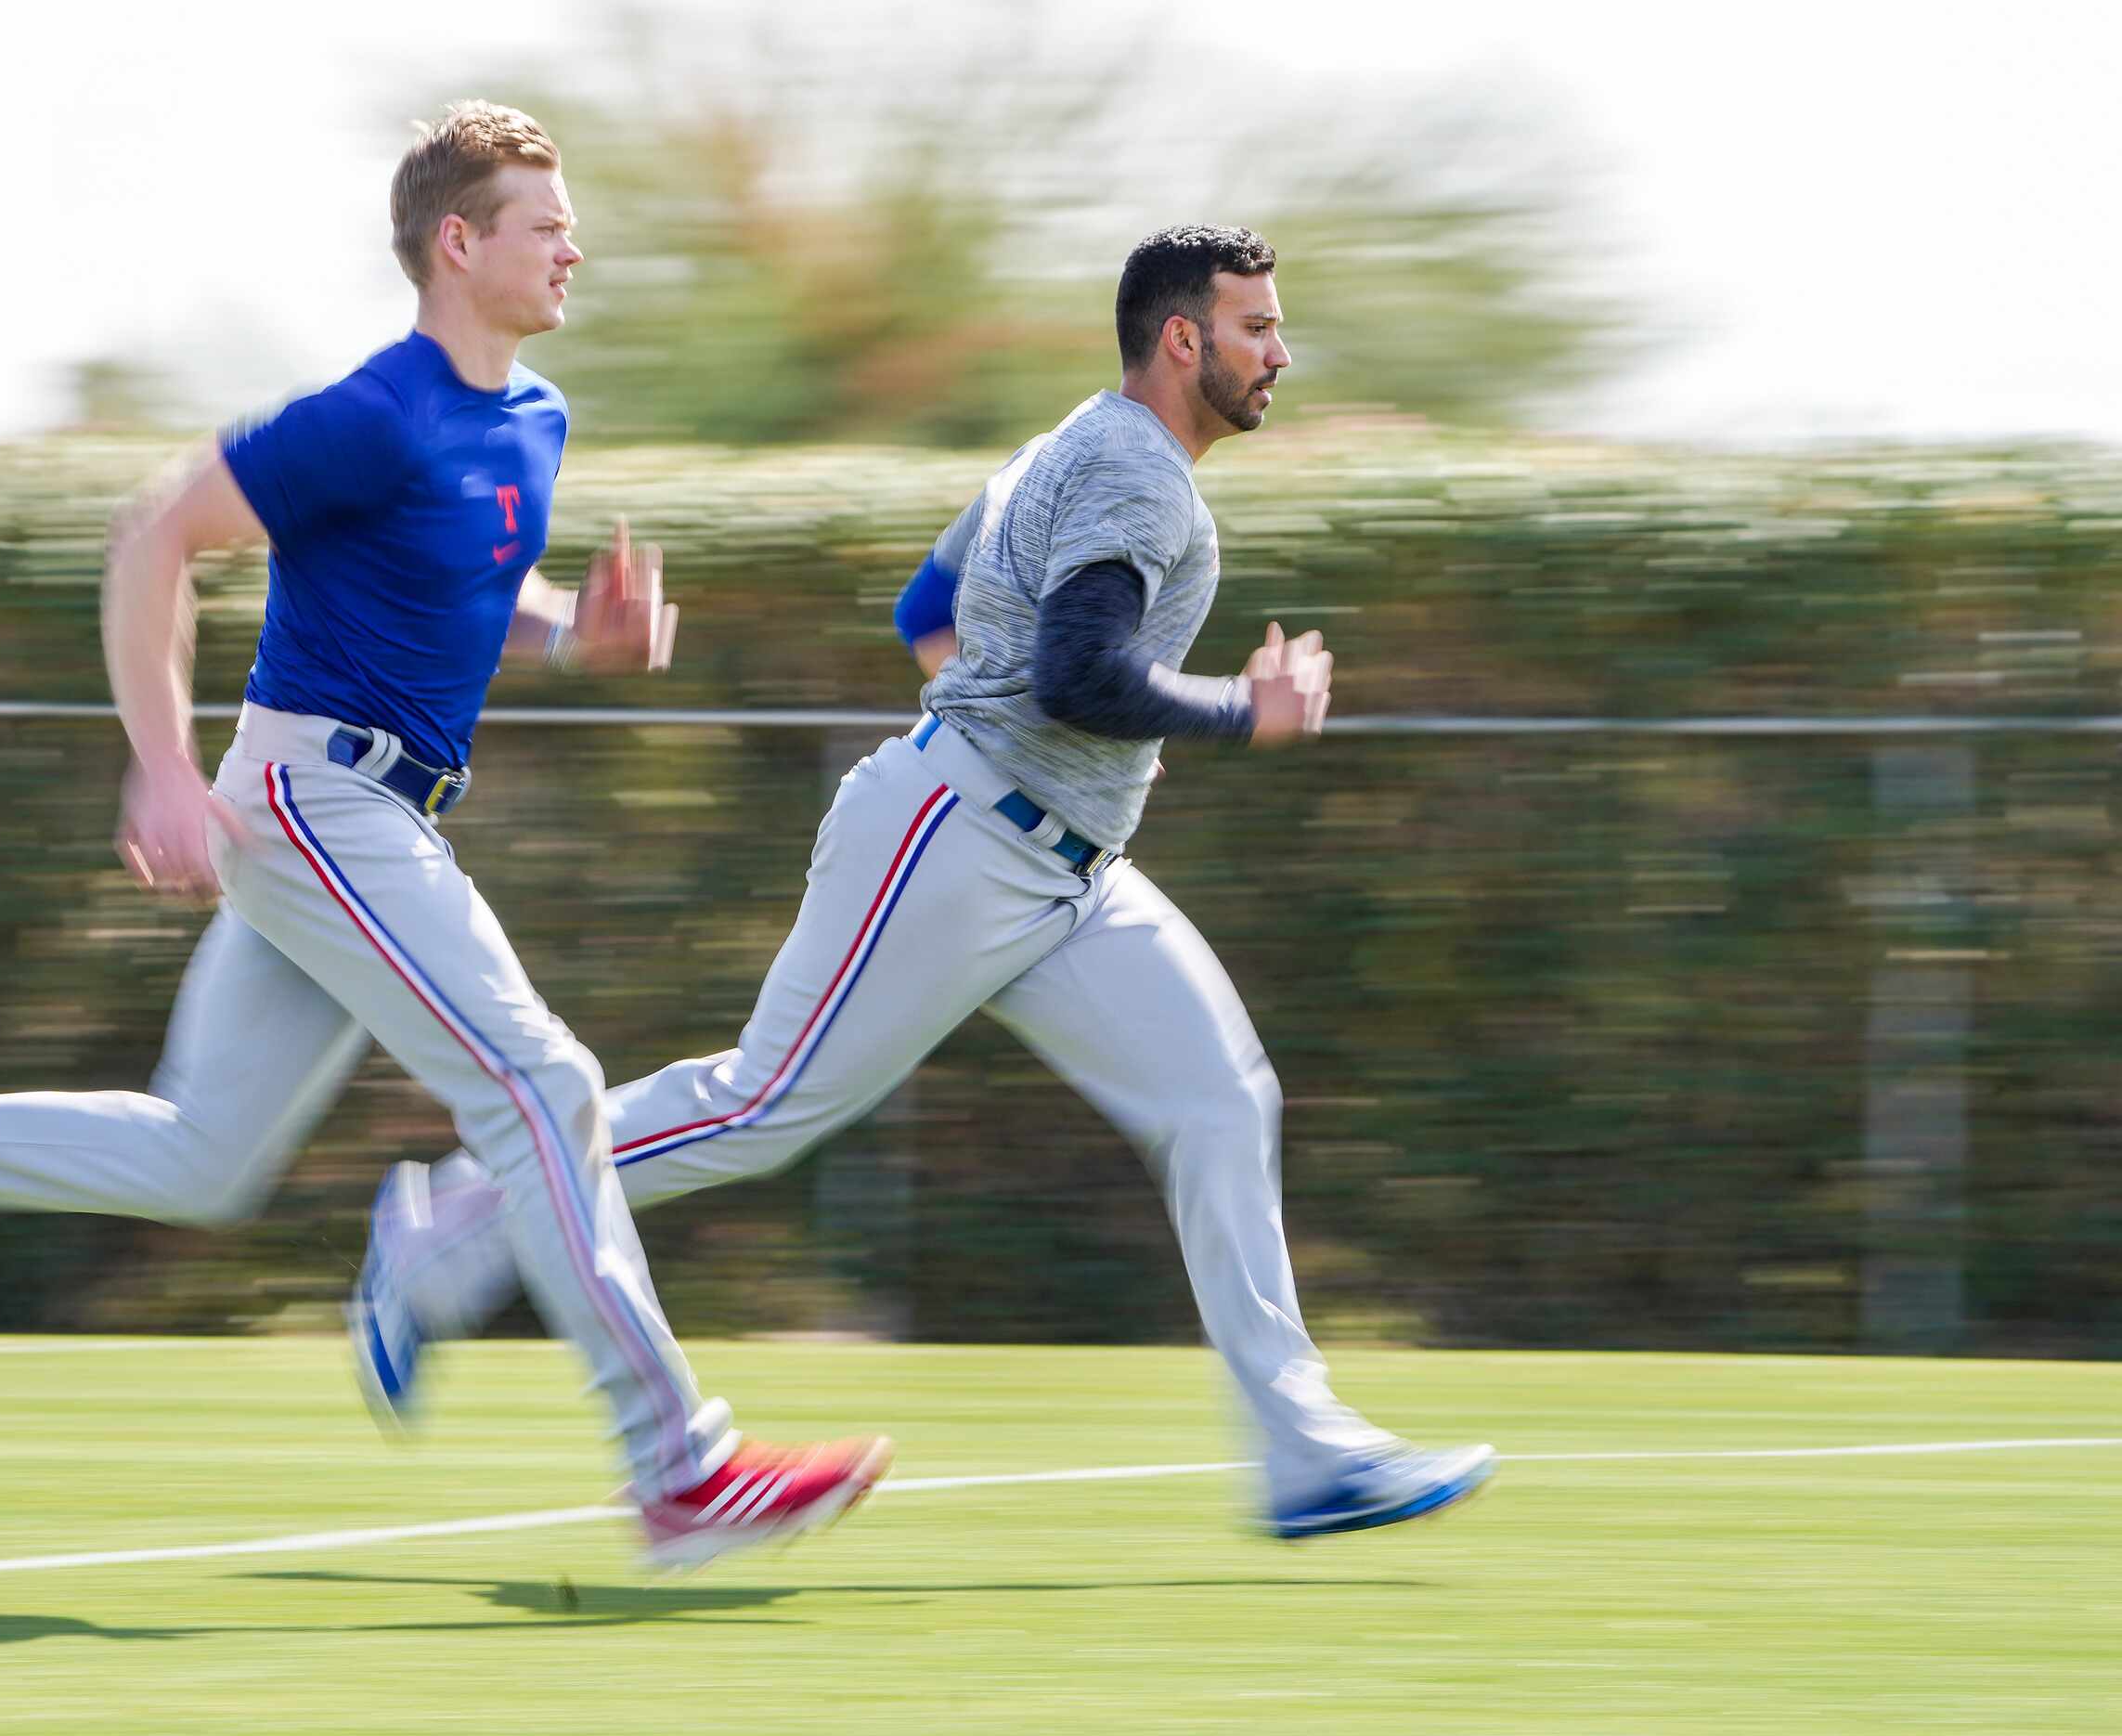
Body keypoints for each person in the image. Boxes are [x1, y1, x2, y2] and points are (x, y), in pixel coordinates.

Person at [0, 100, 890, 1571]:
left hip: (370, 812)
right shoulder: (368, 414)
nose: (578, 249)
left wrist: (582, 635)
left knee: (203, 1157)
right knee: (544, 1081)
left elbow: (469, 587)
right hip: (318, 803)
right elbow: (154, 536)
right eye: (546, 226)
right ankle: (680, 1468)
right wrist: (162, 768)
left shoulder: (532, 420)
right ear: (458, 242)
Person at [357, 225, 1494, 1540]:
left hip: (1060, 867)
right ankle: (451, 1229)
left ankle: (1305, 1452)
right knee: (761, 1105)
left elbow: (926, 607)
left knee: (1220, 1099)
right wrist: (1244, 710)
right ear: (1183, 340)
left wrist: (1006, 736)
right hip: (961, 842)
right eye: (1257, 329)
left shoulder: (1072, 443)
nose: (1280, 352)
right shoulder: (1138, 472)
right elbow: (1078, 672)